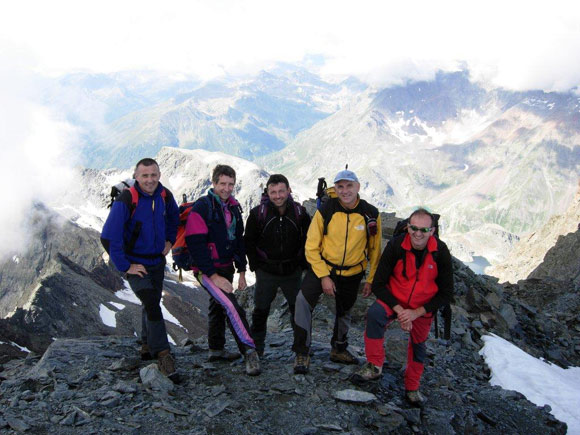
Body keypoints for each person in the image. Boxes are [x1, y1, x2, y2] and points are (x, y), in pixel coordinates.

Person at [353, 208, 454, 406]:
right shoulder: (396, 245)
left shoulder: (440, 252)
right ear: (408, 227)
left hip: (422, 308)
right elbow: (380, 284)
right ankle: (374, 365)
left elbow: (446, 293)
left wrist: (416, 313)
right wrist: (401, 312)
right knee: (375, 314)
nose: (418, 233)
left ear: (432, 231)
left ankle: (412, 386)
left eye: (423, 230)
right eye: (414, 228)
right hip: (395, 301)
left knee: (418, 345)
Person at [292, 169, 382, 374]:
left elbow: (375, 249)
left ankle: (339, 348)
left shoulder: (370, 214)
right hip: (324, 267)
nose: (345, 191)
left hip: (353, 272)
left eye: (349, 186)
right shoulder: (326, 210)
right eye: (340, 186)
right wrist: (324, 276)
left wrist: (371, 278)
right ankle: (302, 352)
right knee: (302, 301)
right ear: (335, 189)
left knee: (345, 310)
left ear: (358, 187)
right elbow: (311, 246)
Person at [101, 158, 179, 380]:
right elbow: (108, 237)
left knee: (150, 301)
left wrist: (170, 241)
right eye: (145, 176)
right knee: (153, 305)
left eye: (153, 175)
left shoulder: (165, 195)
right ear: (136, 176)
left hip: (157, 261)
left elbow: (174, 218)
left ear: (159, 175)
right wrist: (126, 266)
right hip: (137, 264)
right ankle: (163, 353)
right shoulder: (127, 200)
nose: (150, 180)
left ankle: (146, 345)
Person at [184, 164, 261, 376]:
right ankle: (249, 352)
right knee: (231, 305)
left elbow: (238, 241)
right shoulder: (202, 207)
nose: (227, 188)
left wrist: (242, 270)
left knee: (217, 306)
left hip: (226, 266)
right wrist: (213, 275)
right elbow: (195, 244)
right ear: (214, 183)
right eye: (222, 184)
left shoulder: (234, 208)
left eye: (231, 184)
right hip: (207, 270)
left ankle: (215, 350)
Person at [244, 174, 311, 356]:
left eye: (281, 191)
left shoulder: (300, 213)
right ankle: (256, 351)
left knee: (298, 310)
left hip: (292, 271)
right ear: (268, 192)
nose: (278, 196)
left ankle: (301, 352)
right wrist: (255, 266)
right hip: (267, 272)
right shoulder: (258, 214)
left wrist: (302, 264)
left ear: (289, 191)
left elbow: (310, 239)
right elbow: (248, 241)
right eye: (273, 192)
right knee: (260, 311)